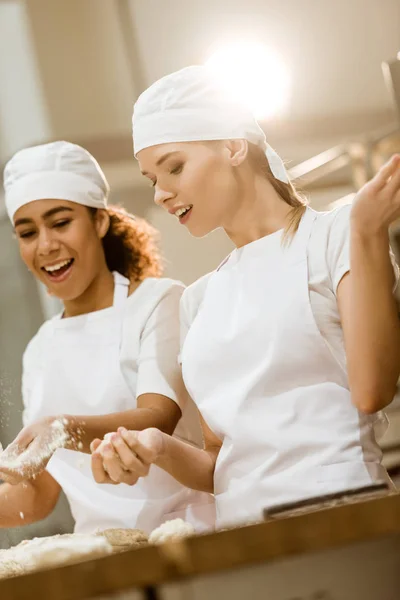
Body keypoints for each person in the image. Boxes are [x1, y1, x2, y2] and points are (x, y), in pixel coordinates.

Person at [91, 66, 400, 529]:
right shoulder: (199, 300)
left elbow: (373, 389)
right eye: (152, 178)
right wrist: (158, 447)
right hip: (244, 540)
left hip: (343, 516)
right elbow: (221, 465)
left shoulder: (337, 235)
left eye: (174, 167)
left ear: (234, 146)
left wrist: (369, 230)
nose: (160, 194)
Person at [0, 140, 215, 534]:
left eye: (61, 222)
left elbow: (158, 418)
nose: (46, 245)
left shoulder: (157, 302)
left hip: (185, 535)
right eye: (27, 232)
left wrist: (61, 429)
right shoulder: (40, 350)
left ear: (100, 222)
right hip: (100, 554)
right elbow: (38, 495)